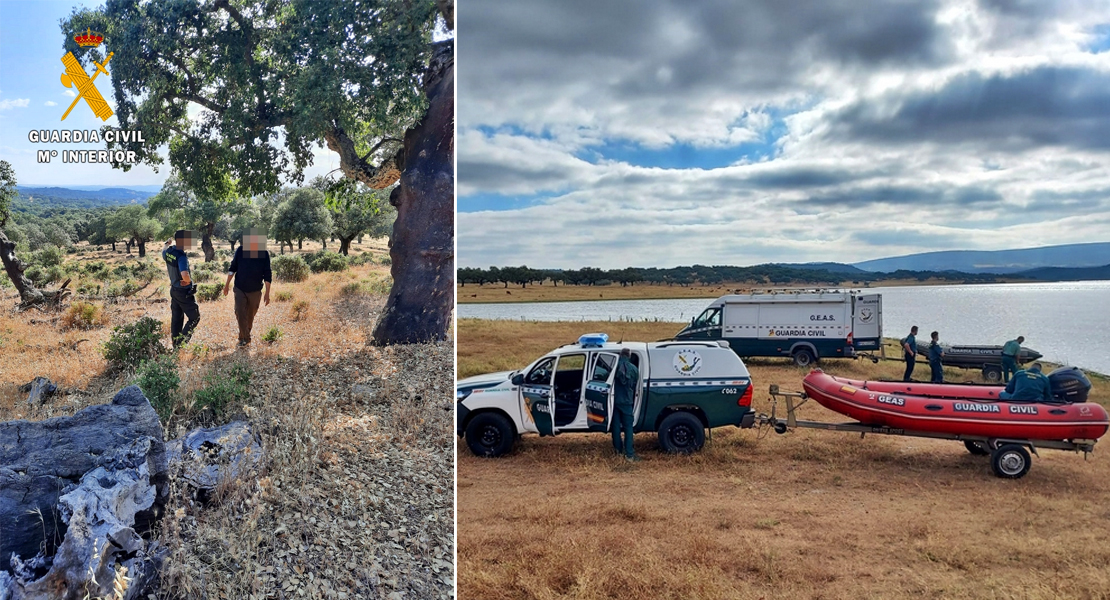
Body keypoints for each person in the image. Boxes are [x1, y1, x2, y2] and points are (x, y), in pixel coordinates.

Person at [222, 228, 273, 346]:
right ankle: (244, 338)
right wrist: (226, 286)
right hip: (240, 288)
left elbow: (267, 274)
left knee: (250, 315)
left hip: (255, 290)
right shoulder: (240, 251)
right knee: (239, 312)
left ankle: (245, 335)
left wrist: (267, 293)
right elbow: (232, 268)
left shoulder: (264, 254)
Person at [162, 230, 200, 348]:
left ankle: (175, 345)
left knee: (177, 319)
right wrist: (188, 281)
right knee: (195, 317)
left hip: (174, 290)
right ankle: (181, 344)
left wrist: (166, 244)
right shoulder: (181, 256)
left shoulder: (169, 251)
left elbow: (163, 252)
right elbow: (184, 274)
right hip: (184, 292)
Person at [612, 348, 640, 461]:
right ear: (629, 356)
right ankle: (629, 454)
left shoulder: (614, 367)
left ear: (620, 355)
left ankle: (618, 451)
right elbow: (635, 384)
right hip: (627, 402)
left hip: (614, 401)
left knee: (615, 426)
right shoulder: (634, 369)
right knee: (628, 428)